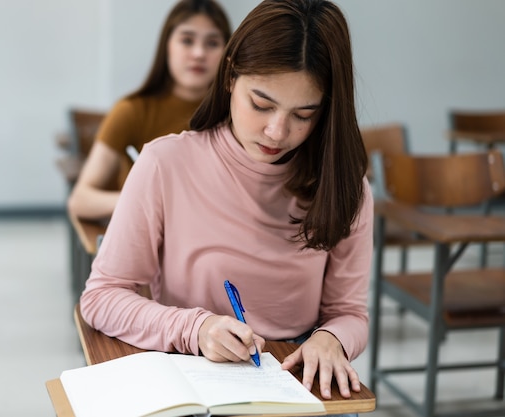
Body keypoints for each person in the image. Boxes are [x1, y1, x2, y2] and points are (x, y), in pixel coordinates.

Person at [81, 0, 372, 415]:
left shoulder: (346, 188)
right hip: (191, 378)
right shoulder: (165, 163)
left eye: (303, 114)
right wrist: (195, 328)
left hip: (289, 381)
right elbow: (102, 296)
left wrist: (333, 339)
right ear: (231, 74)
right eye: (261, 104)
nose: (277, 131)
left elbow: (349, 312)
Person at [67, 0, 231, 220]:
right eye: (187, 40)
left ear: (227, 53)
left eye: (212, 43)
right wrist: (143, 199)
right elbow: (80, 200)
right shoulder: (132, 111)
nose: (199, 53)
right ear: (167, 46)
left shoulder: (236, 114)